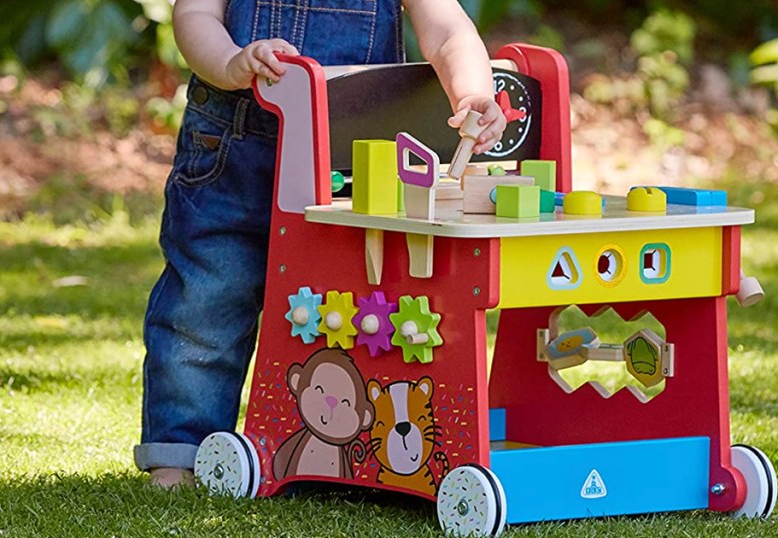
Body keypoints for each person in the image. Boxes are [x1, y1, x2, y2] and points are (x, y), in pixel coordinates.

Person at [135, 0, 508, 488]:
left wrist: (475, 94)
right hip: (237, 143)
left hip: (348, 155)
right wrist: (230, 63)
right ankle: (182, 450)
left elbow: (447, 31)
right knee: (208, 295)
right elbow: (194, 16)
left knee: (347, 304)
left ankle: (333, 443)